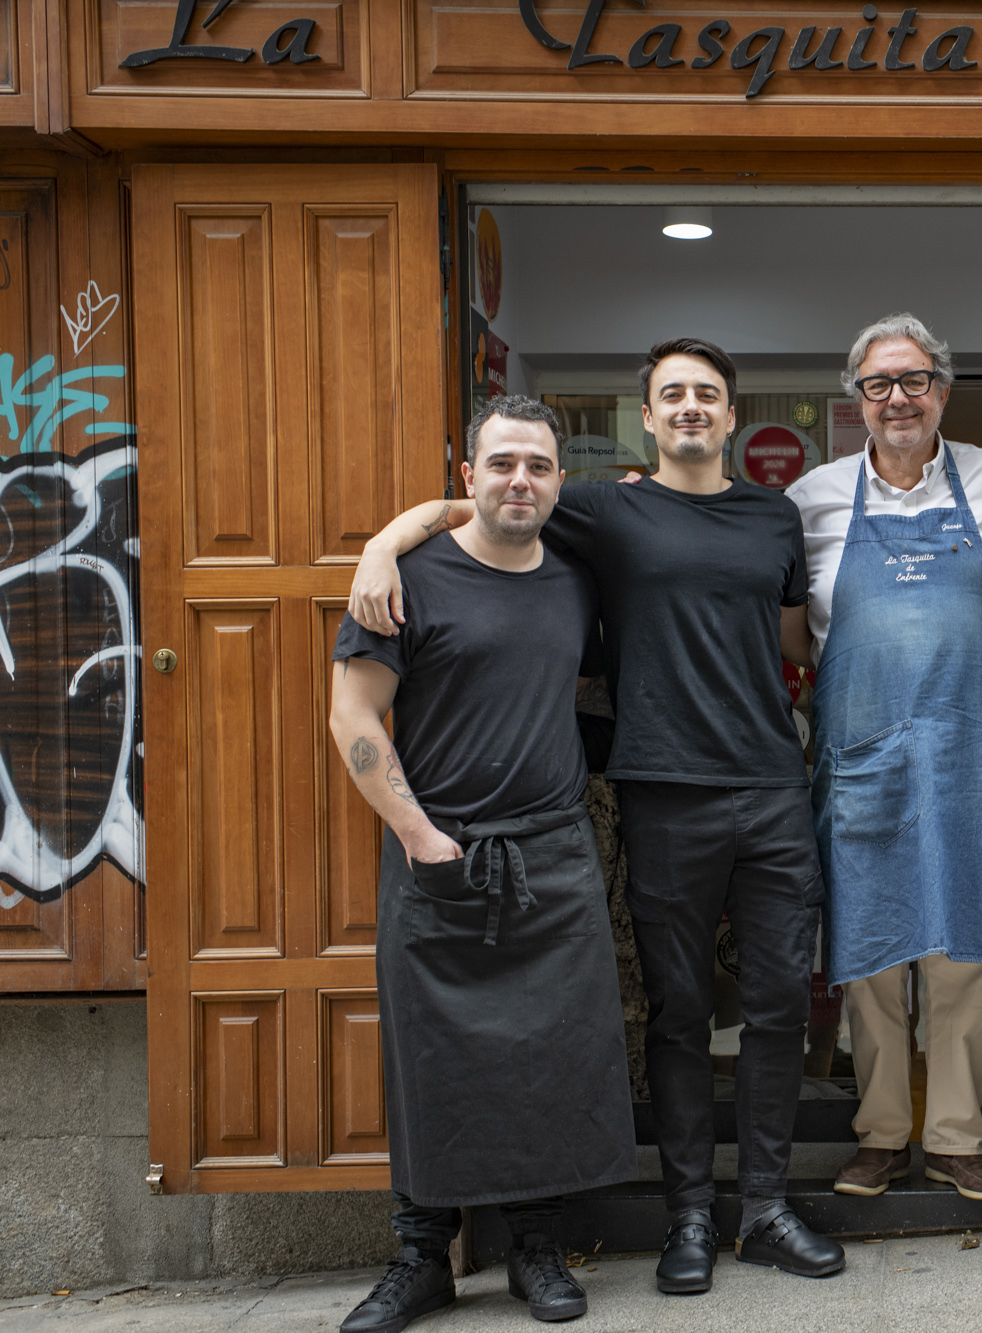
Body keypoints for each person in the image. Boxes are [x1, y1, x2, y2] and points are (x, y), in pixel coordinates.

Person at [348, 341, 844, 1297]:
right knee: (681, 1010)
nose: (691, 407)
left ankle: (770, 1208)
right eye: (672, 395)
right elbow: (483, 507)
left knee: (781, 1003)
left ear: (731, 415)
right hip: (662, 790)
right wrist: (381, 542)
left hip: (774, 788)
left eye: (707, 393)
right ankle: (691, 1215)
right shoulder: (603, 507)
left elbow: (790, 638)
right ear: (648, 419)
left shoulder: (774, 516)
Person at [329, 396, 635, 1333]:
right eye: (501, 463)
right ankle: (421, 1258)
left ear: (557, 479)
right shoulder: (407, 579)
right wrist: (421, 837)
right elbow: (352, 718)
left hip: (550, 849)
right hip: (439, 852)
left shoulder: (577, 580)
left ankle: (536, 1252)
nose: (520, 481)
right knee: (431, 1061)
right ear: (467, 475)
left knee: (550, 1056)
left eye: (538, 466)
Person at [784, 313, 982, 1203]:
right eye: (879, 384)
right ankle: (881, 1134)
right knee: (868, 947)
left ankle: (958, 1136)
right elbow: (792, 630)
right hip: (859, 757)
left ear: (944, 388)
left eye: (915, 379)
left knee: (969, 950)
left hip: (969, 752)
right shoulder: (813, 500)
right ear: (857, 398)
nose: (898, 398)